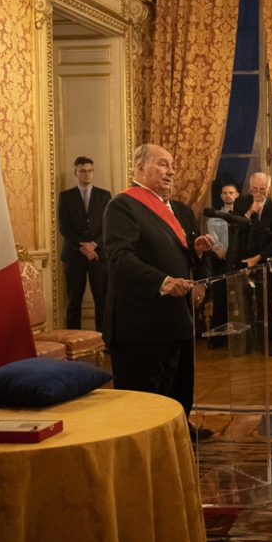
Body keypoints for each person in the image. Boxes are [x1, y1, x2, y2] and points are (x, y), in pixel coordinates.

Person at [102, 144, 213, 438]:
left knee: (175, 386)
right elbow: (119, 257)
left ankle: (175, 434)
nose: (172, 171)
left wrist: (197, 256)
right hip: (139, 325)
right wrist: (163, 281)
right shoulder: (122, 206)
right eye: (163, 164)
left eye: (172, 165)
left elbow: (174, 255)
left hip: (174, 320)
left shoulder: (176, 210)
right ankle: (148, 450)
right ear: (140, 168)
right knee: (144, 403)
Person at [232, 173, 272, 353]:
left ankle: (266, 344)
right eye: (255, 189)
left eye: (262, 190)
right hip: (241, 261)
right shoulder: (241, 203)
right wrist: (249, 213)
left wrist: (256, 259)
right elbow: (236, 231)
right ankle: (246, 343)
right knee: (243, 304)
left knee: (264, 305)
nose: (258, 193)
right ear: (250, 187)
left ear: (268, 189)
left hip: (264, 263)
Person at [56, 156, 111, 334]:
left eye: (89, 171)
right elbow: (64, 226)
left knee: (102, 301)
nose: (86, 174)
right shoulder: (65, 196)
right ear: (76, 173)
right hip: (74, 256)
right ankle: (73, 341)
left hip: (98, 255)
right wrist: (83, 247)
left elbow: (108, 225)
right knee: (74, 302)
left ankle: (103, 341)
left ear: (93, 172)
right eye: (82, 171)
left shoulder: (104, 196)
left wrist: (94, 245)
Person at [205, 181, 240, 349]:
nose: (228, 195)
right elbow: (214, 241)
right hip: (221, 263)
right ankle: (217, 339)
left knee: (242, 302)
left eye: (231, 192)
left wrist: (235, 253)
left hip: (239, 263)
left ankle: (242, 340)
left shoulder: (242, 216)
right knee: (220, 302)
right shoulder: (214, 218)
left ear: (237, 195)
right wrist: (226, 252)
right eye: (225, 193)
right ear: (221, 196)